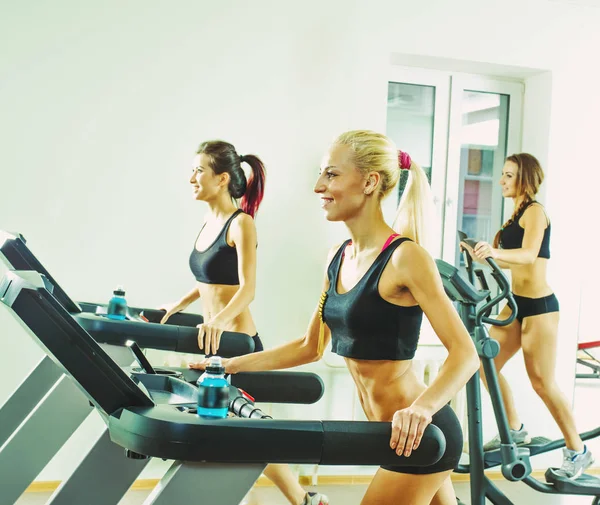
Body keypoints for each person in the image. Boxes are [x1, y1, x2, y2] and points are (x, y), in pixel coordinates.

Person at [191, 131, 479, 505]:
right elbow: (310, 346)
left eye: (331, 175)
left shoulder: (406, 258)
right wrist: (228, 365)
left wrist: (421, 409)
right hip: (389, 434)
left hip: (419, 432)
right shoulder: (337, 256)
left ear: (370, 182)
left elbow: (465, 354)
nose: (318, 186)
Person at [160, 140, 328, 505]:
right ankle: (291, 499)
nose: (191, 178)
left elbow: (247, 290)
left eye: (198, 171)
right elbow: (210, 281)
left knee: (250, 431)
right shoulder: (209, 221)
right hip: (212, 343)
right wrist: (178, 304)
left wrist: (217, 321)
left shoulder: (242, 224)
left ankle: (303, 499)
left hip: (237, 344)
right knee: (236, 435)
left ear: (221, 179)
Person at [461, 153, 594, 479]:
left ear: (524, 179)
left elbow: (530, 255)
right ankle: (515, 429)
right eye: (503, 174)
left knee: (543, 382)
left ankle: (578, 450)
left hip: (540, 307)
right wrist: (481, 252)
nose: (502, 180)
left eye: (508, 175)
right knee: (483, 362)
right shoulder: (515, 215)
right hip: (517, 304)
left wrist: (494, 252)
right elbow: (512, 261)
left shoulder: (535, 212)